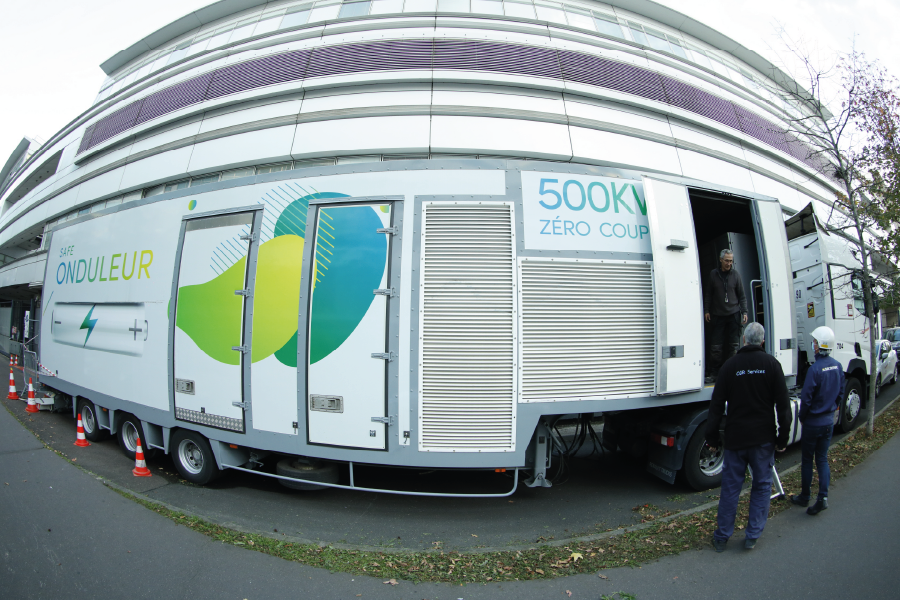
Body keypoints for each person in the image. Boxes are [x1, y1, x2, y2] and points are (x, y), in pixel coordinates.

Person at [705, 322, 790, 551]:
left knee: (731, 488)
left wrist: (711, 438)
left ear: (744, 340)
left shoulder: (730, 366)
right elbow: (783, 406)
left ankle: (722, 536)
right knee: (762, 486)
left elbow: (715, 406)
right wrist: (783, 438)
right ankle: (752, 535)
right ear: (762, 341)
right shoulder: (772, 365)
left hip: (736, 440)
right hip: (763, 440)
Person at [791, 326, 845, 515]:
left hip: (813, 422)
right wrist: (832, 408)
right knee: (822, 459)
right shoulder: (837, 366)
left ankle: (805, 496)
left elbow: (806, 399)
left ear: (819, 345)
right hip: (828, 422)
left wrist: (802, 418)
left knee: (807, 460)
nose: (812, 344)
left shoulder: (815, 369)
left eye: (814, 342)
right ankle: (822, 497)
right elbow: (840, 393)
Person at [704, 249, 749, 382]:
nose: (729, 263)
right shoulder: (713, 274)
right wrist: (707, 310)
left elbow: (742, 295)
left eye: (731, 261)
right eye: (727, 261)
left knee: (734, 346)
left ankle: (732, 372)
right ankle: (714, 373)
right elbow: (708, 295)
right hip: (717, 315)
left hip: (733, 315)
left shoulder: (736, 275)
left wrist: (744, 311)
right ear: (721, 260)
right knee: (716, 347)